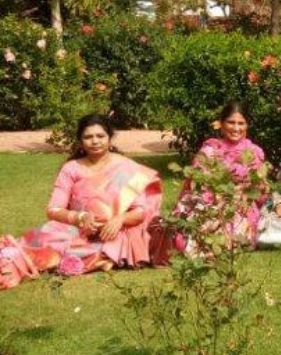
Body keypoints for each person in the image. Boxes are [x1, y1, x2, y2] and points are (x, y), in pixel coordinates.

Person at [0, 114, 162, 290]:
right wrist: (80, 217)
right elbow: (53, 209)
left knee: (87, 251)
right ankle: (12, 261)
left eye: (100, 136)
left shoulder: (127, 167)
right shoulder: (71, 168)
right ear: (80, 141)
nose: (95, 141)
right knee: (40, 240)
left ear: (109, 138)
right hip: (77, 230)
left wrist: (120, 219)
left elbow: (140, 211)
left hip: (113, 233)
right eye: (88, 137)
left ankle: (75, 258)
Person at [173, 103, 267, 254]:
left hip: (241, 204)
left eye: (241, 123)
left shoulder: (253, 152)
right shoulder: (210, 149)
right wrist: (220, 195)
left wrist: (245, 195)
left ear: (247, 125)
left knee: (233, 231)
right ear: (221, 124)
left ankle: (216, 245)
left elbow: (259, 188)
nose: (236, 128)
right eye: (231, 122)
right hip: (210, 200)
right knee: (188, 232)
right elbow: (198, 182)